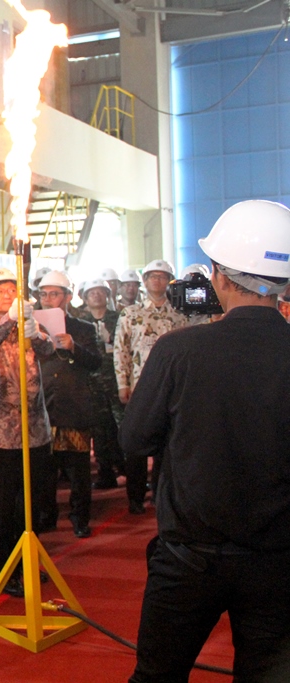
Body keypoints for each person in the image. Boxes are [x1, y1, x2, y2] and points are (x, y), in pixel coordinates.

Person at [122, 200, 290, 682]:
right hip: (278, 559)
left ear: (217, 276)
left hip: (189, 558)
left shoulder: (180, 350)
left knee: (158, 675)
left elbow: (135, 438)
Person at [0, 268, 54, 598]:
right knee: (3, 506)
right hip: (0, 433)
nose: (8, 295)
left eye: (12, 290)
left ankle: (28, 560)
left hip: (34, 428)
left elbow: (50, 352)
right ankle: (6, 570)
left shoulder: (29, 325)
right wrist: (11, 319)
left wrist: (36, 333)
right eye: (0, 291)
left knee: (31, 503)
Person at [113, 258, 185, 515]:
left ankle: (160, 493)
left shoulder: (178, 314)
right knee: (137, 444)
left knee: (167, 444)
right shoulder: (131, 314)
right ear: (144, 282)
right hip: (139, 386)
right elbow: (121, 350)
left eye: (162, 277)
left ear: (169, 282)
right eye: (152, 276)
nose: (157, 281)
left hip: (170, 388)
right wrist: (123, 384)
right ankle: (135, 496)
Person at [37, 271, 101, 538]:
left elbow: (96, 363)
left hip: (73, 406)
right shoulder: (32, 329)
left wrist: (74, 347)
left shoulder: (84, 328)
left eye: (54, 294)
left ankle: (80, 516)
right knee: (43, 471)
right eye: (43, 294)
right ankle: (46, 516)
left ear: (68, 296)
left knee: (78, 471)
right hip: (42, 407)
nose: (48, 299)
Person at [77, 278, 125, 489]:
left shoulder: (119, 318)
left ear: (107, 295)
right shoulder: (80, 322)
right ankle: (106, 472)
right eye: (91, 292)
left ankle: (129, 469)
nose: (96, 295)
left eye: (100, 292)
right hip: (91, 383)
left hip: (116, 382)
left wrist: (111, 339)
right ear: (85, 298)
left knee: (122, 426)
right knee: (100, 430)